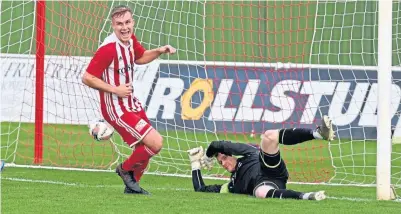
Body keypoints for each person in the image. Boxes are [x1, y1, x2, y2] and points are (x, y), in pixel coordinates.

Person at [82, 5, 176, 194]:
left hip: (131, 103)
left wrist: (159, 50)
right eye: (119, 24)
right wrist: (114, 89)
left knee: (145, 148)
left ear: (133, 22)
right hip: (116, 108)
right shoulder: (108, 49)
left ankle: (133, 187)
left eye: (127, 22)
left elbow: (140, 57)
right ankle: (124, 170)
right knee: (155, 143)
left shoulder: (130, 40)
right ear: (112, 26)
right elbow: (87, 77)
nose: (124, 27)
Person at [187, 116, 335, 200]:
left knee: (269, 136)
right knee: (260, 193)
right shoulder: (231, 185)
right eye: (220, 162)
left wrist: (207, 156)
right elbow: (201, 189)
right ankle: (307, 196)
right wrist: (195, 164)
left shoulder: (248, 153)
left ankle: (318, 134)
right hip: (266, 185)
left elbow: (217, 144)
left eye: (225, 158)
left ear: (232, 155)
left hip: (269, 167)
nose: (224, 163)